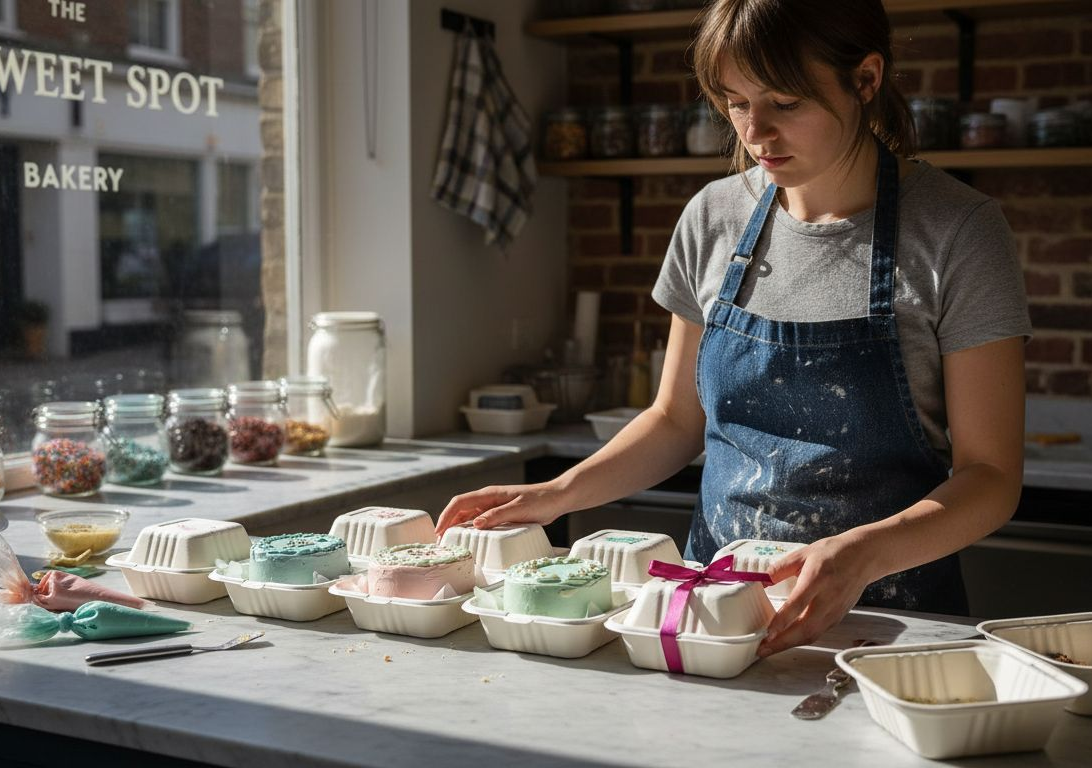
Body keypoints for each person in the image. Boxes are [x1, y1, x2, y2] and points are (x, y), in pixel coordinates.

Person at [437, 0, 1030, 657]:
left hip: (892, 624)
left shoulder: (957, 231)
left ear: (865, 80)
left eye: (785, 102)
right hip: (712, 612)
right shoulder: (713, 216)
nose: (756, 132)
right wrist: (554, 494)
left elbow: (990, 476)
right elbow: (673, 421)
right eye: (735, 102)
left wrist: (860, 555)